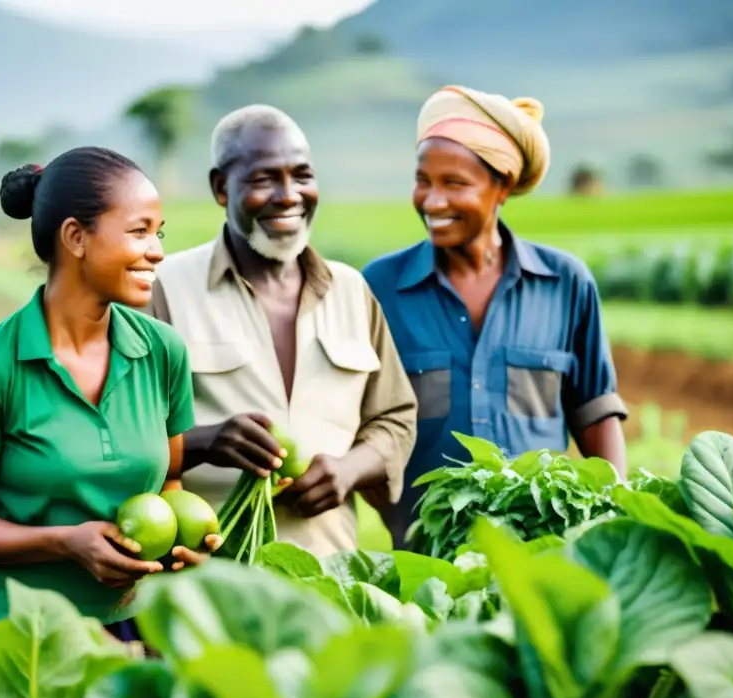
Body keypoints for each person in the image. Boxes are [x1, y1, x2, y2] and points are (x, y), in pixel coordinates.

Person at [0, 147, 218, 651]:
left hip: (136, 632)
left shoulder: (162, 352)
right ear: (76, 238)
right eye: (139, 231)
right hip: (20, 642)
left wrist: (179, 545)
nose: (158, 251)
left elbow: (169, 482)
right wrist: (64, 543)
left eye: (160, 232)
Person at [362, 85, 629, 546]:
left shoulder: (566, 283)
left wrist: (614, 514)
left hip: (545, 551)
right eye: (423, 179)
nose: (432, 201)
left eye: (454, 183)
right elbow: (355, 424)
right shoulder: (379, 288)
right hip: (428, 557)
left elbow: (595, 413)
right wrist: (404, 523)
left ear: (502, 185)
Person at [147, 105, 418, 559]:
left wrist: (348, 470)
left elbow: (394, 419)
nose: (289, 194)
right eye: (263, 179)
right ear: (220, 187)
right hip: (205, 587)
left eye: (302, 175)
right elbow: (117, 438)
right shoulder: (164, 290)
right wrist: (202, 442)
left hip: (331, 581)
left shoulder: (351, 291)